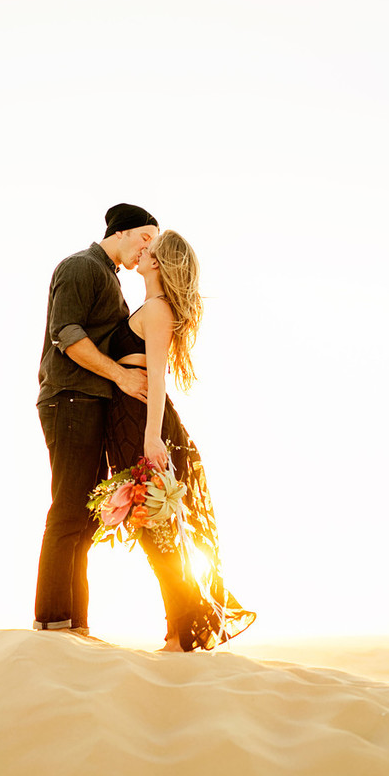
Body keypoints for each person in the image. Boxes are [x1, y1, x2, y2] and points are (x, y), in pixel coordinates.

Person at [105, 230, 256, 651]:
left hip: (141, 423)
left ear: (156, 263)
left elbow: (157, 377)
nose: (142, 250)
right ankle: (178, 631)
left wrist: (151, 436)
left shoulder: (157, 311)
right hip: (130, 420)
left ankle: (182, 635)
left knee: (158, 531)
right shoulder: (150, 307)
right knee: (157, 530)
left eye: (149, 249)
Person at [34, 203, 160, 635]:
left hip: (89, 402)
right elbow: (66, 335)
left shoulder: (108, 277)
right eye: (144, 237)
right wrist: (122, 376)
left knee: (85, 519)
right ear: (120, 232)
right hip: (69, 399)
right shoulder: (81, 266)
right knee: (68, 510)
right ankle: (52, 624)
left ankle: (76, 626)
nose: (147, 248)